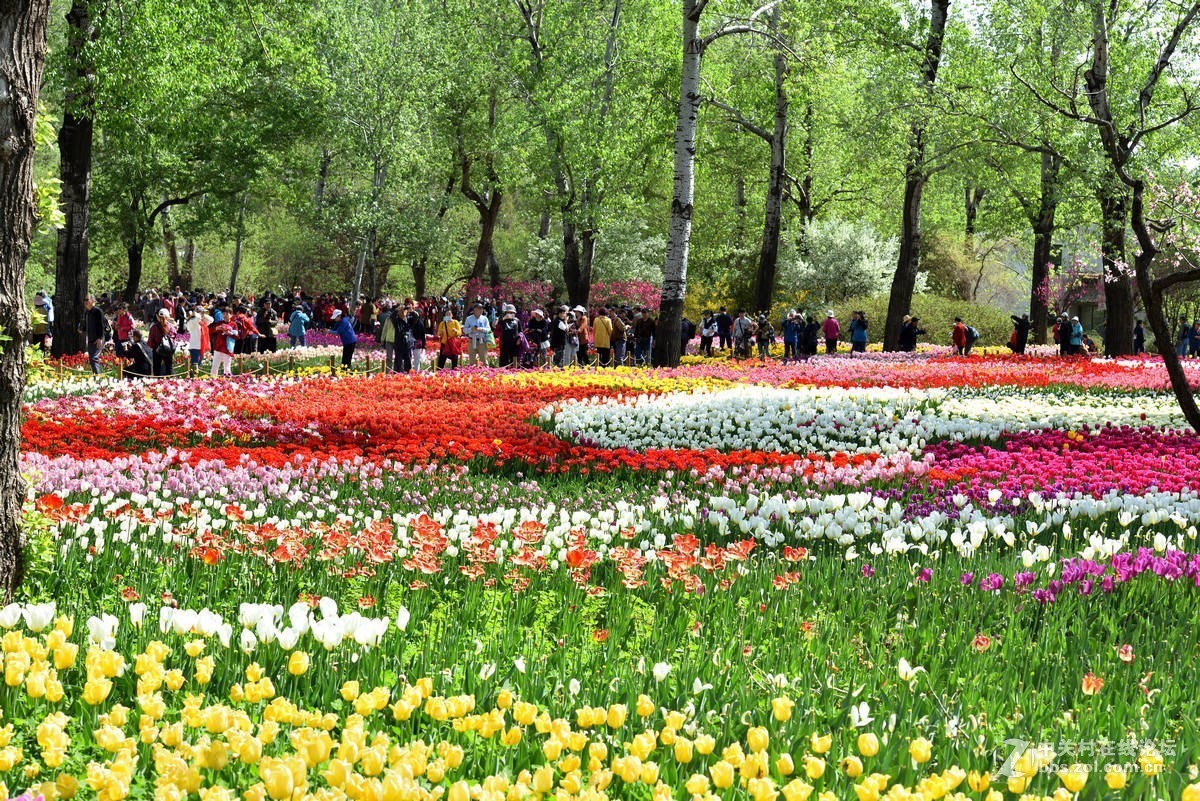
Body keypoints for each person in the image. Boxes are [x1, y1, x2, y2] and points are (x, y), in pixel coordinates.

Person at [80, 295, 109, 375]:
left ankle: (98, 377)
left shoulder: (98, 311)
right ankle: (96, 375)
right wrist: (82, 329)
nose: (85, 302)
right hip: (90, 338)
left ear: (93, 301)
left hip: (98, 338)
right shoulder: (87, 312)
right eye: (84, 300)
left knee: (94, 357)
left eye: (87, 300)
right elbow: (86, 326)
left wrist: (100, 338)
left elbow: (101, 325)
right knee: (91, 358)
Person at [185, 306, 212, 374]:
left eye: (203, 312)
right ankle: (191, 380)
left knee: (198, 366)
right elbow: (197, 318)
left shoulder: (201, 322)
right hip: (195, 347)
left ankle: (194, 380)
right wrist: (196, 314)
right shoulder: (191, 321)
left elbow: (211, 320)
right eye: (201, 312)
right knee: (194, 366)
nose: (203, 314)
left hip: (201, 346)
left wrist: (203, 314)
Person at [406, 300, 427, 371]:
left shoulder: (420, 324)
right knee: (409, 357)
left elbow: (423, 335)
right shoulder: (408, 323)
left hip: (417, 341)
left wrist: (424, 345)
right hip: (409, 341)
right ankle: (409, 370)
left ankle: (416, 371)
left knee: (416, 357)